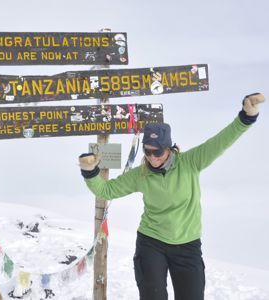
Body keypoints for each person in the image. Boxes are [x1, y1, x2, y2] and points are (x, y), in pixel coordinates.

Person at [78, 93, 265, 300]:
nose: (152, 157)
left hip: (188, 245)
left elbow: (221, 142)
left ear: (168, 148)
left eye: (157, 152)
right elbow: (106, 191)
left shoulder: (190, 162)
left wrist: (246, 117)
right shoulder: (141, 174)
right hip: (152, 243)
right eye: (148, 152)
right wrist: (90, 172)